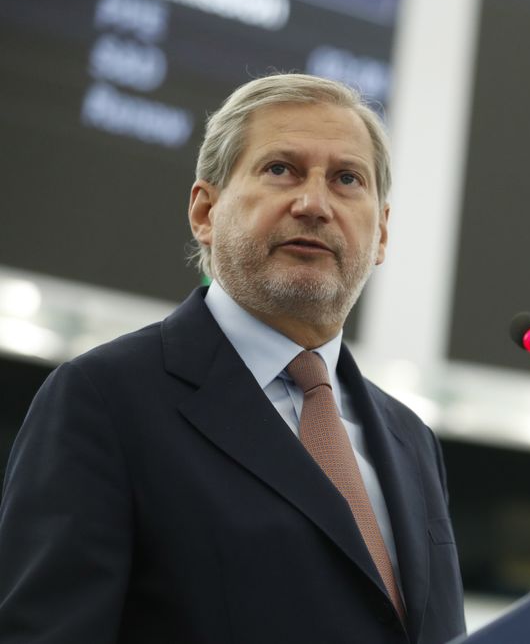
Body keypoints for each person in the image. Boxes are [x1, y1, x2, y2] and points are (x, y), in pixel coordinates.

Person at [0, 74, 466, 643]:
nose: (315, 204)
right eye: (280, 170)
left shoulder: (412, 442)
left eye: (347, 179)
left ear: (383, 234)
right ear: (205, 210)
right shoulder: (104, 400)